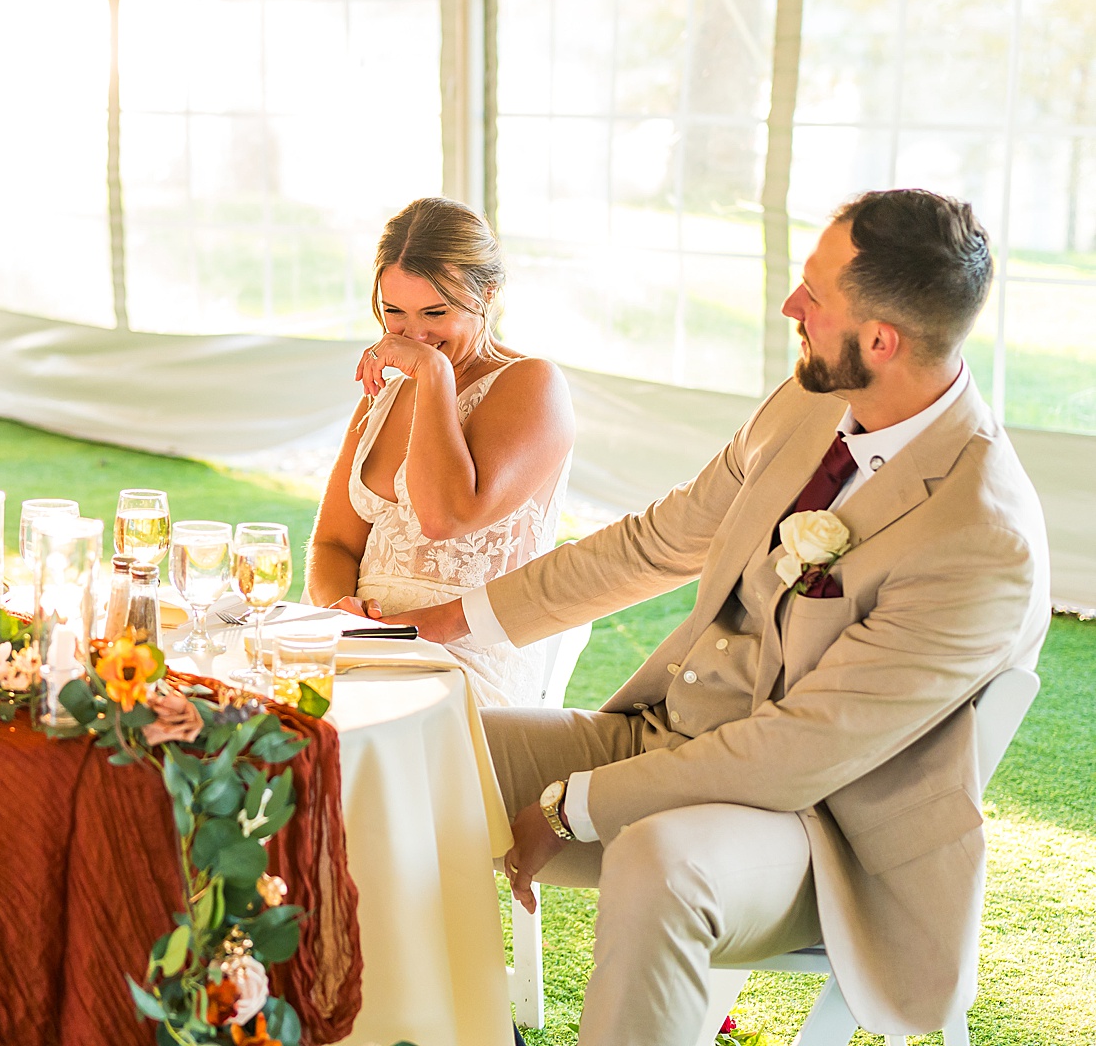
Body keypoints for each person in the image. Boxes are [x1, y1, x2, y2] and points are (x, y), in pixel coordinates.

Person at [407, 190, 1049, 1045]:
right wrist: (451, 620)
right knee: (420, 746)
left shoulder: (982, 536)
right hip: (670, 737)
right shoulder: (812, 399)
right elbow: (658, 541)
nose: (791, 306)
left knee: (658, 861)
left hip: (825, 832)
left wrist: (575, 806)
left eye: (813, 294)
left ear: (881, 341)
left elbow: (798, 753)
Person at [305, 196, 574, 706]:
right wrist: (338, 608)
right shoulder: (383, 394)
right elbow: (333, 544)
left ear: (487, 294)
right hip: (356, 643)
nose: (416, 335)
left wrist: (432, 374)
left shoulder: (533, 384)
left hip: (461, 662)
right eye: (395, 314)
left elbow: (444, 516)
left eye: (435, 312)